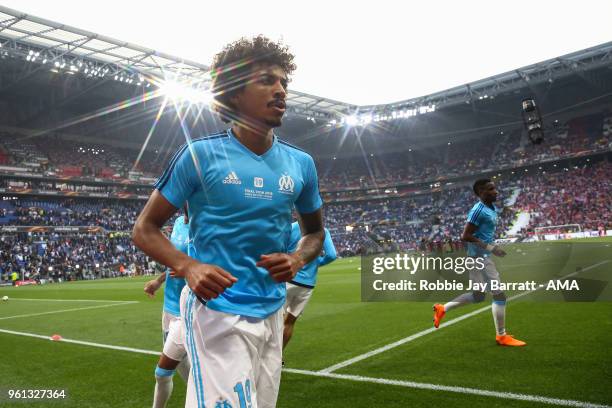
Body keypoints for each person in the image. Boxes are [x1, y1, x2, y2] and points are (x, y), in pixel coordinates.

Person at [132, 35, 324, 408]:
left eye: (284, 82)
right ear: (234, 92)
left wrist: (298, 258)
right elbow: (144, 228)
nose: (281, 90)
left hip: (272, 309)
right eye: (267, 80)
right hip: (216, 309)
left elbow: (315, 232)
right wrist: (188, 265)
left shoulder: (301, 164)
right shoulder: (198, 156)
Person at [432, 179, 526, 347]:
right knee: (499, 295)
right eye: (490, 189)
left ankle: (442, 309)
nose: (496, 191)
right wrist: (491, 248)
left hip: (480, 257)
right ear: (480, 193)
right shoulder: (478, 210)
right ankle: (501, 336)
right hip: (479, 258)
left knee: (478, 296)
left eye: (495, 188)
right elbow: (465, 236)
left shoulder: (492, 208)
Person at [143, 207, 191, 408]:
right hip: (169, 308)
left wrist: (190, 269)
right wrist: (159, 280)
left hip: (187, 309)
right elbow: (174, 261)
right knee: (188, 373)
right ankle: (208, 399)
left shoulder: (208, 223)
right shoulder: (180, 222)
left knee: (162, 373)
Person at [283, 221, 337, 352]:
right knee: (289, 322)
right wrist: (317, 263)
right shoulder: (322, 230)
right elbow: (331, 255)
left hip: (287, 278)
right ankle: (280, 356)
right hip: (307, 284)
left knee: (273, 321)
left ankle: (266, 358)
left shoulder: (290, 227)